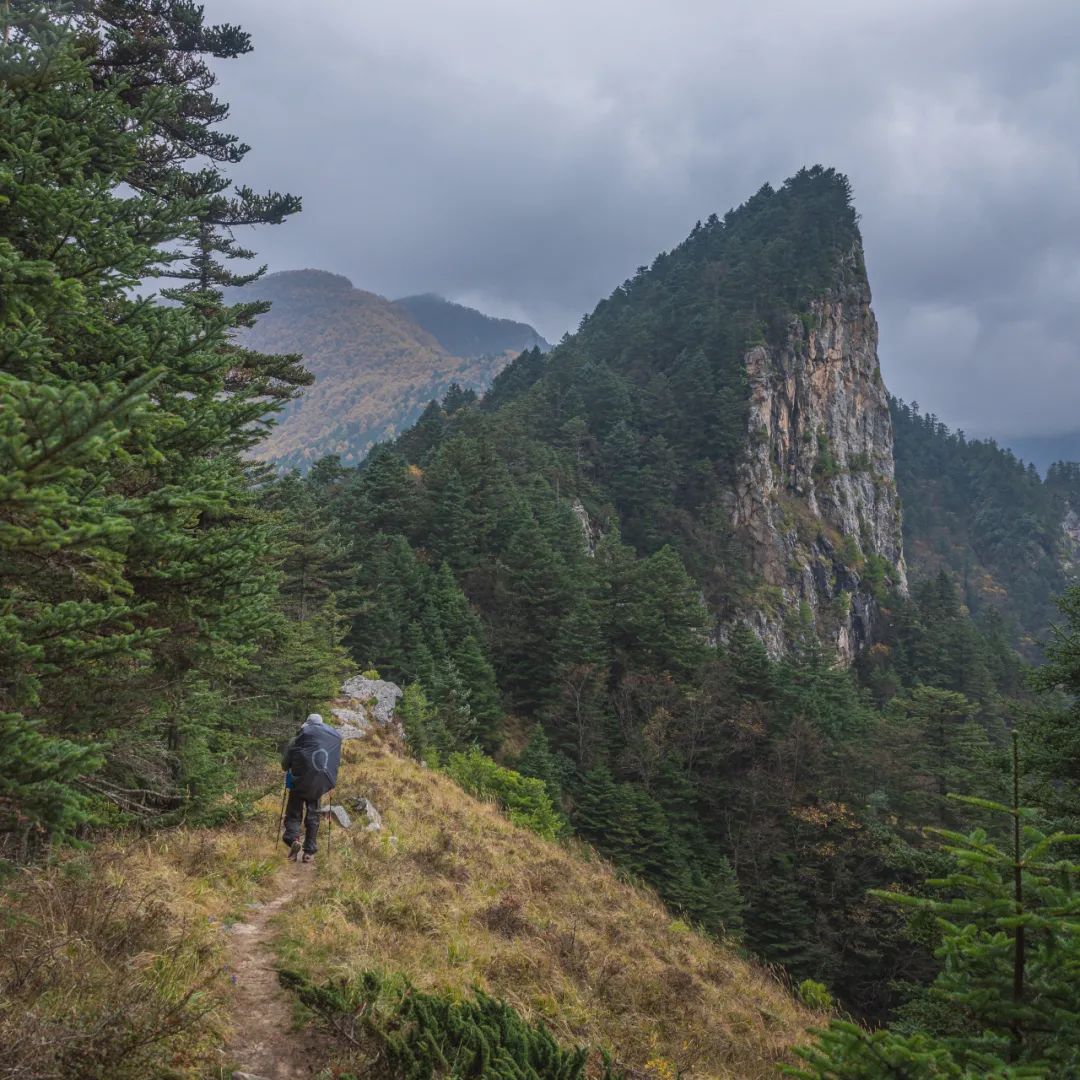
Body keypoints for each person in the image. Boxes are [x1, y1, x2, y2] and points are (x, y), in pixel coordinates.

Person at [280, 713, 342, 863]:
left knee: (294, 813)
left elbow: (285, 765)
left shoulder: (297, 739)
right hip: (318, 785)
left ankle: (294, 840)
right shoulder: (328, 743)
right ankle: (309, 852)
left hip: (297, 783)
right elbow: (333, 763)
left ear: (307, 724)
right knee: (313, 816)